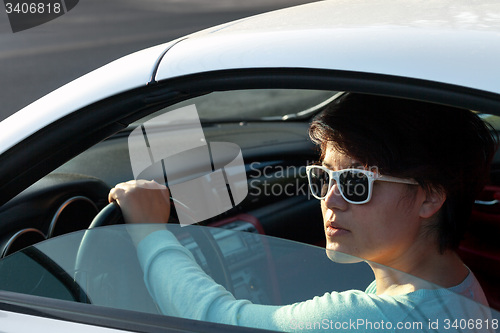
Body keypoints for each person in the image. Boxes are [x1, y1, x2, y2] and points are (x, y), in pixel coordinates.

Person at [109, 93, 497, 332]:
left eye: (356, 183)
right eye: (324, 177)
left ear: (430, 199)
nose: (330, 199)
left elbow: (215, 318)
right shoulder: (463, 287)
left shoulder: (374, 319)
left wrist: (148, 231)